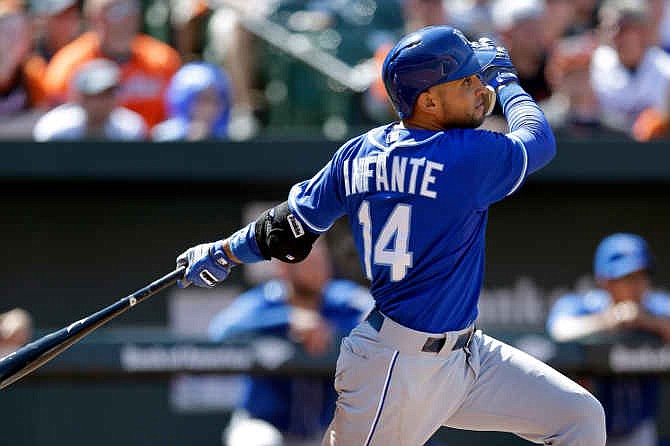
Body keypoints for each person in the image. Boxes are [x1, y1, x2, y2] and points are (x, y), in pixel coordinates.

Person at [175, 25, 605, 445]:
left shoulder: (359, 151)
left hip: (465, 356)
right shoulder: (464, 155)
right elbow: (538, 139)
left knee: (578, 417)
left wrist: (225, 251)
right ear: (430, 102)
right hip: (397, 366)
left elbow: (288, 226)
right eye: (467, 80)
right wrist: (507, 80)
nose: (481, 88)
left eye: (481, 77)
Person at [208, 240, 373, 446]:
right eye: (308, 262)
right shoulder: (266, 301)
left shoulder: (342, 299)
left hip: (325, 430)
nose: (318, 269)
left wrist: (332, 331)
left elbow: (382, 321)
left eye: (321, 262)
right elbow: (220, 331)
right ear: (283, 267)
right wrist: (287, 319)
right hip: (265, 423)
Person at [547, 233, 670, 446]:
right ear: (606, 282)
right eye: (628, 278)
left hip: (638, 430)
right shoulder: (585, 305)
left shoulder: (656, 307)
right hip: (585, 430)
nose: (638, 285)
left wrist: (648, 321)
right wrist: (609, 319)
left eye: (642, 276)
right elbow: (559, 329)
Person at [43, 0, 181, 128]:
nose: (126, 20)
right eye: (116, 12)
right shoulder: (69, 65)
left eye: (131, 10)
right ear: (94, 18)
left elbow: (176, 117)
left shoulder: (163, 60)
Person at [590, 0, 670, 141]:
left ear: (643, 31)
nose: (615, 35)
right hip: (605, 147)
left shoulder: (665, 69)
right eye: (609, 28)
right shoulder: (593, 66)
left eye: (622, 28)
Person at [33, 58, 147, 141]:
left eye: (109, 93)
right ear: (79, 97)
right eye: (97, 94)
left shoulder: (131, 128)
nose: (104, 102)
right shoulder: (55, 129)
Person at [152, 62, 232, 142]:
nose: (209, 107)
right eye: (202, 99)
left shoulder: (227, 136)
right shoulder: (164, 136)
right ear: (184, 100)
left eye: (215, 100)